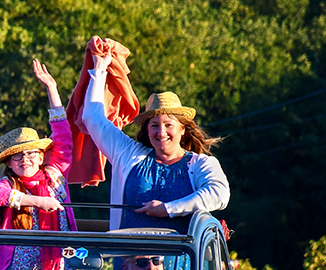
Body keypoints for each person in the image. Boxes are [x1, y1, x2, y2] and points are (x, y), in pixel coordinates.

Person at [81, 53, 230, 233]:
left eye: (169, 125)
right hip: (130, 259)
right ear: (147, 130)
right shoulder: (129, 155)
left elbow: (219, 194)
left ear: (182, 129)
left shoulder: (201, 164)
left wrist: (168, 209)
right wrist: (99, 69)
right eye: (154, 125)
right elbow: (92, 118)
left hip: (182, 260)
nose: (161, 132)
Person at [0, 59, 77, 270]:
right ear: (9, 163)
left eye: (31, 154)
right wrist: (37, 202)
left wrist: (52, 89)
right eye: (17, 157)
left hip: (57, 265)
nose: (25, 160)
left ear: (40, 156)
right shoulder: (9, 185)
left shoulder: (54, 175)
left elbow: (64, 137)